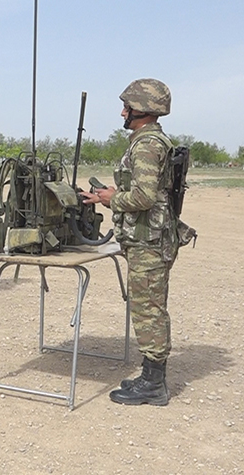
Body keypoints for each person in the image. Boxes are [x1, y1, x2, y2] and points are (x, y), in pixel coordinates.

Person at [80, 78, 188, 407]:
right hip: (148, 239)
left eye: (127, 106)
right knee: (147, 307)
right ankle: (150, 374)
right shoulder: (147, 141)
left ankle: (154, 384)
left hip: (149, 243)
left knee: (148, 310)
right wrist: (105, 198)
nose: (122, 111)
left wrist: (112, 198)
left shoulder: (147, 145)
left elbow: (143, 196)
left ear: (143, 109)